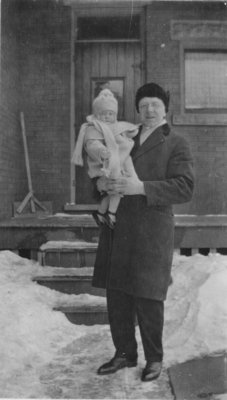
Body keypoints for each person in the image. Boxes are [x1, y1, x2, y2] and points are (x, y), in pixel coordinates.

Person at [92, 82, 194, 381]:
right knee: (118, 294)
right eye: (144, 104)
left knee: (149, 296)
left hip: (152, 228)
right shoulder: (123, 136)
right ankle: (124, 353)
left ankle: (154, 358)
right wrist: (99, 185)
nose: (149, 110)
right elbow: (101, 168)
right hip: (119, 225)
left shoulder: (176, 142)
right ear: (137, 108)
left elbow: (185, 187)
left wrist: (142, 188)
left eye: (156, 105)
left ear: (165, 108)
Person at [71, 89, 138, 228]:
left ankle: (102, 213)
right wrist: (101, 151)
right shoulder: (93, 128)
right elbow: (91, 145)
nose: (107, 117)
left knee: (115, 190)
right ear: (96, 114)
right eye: (103, 114)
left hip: (120, 163)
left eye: (110, 114)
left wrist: (130, 133)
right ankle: (110, 214)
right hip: (104, 166)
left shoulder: (116, 127)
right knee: (115, 189)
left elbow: (128, 132)